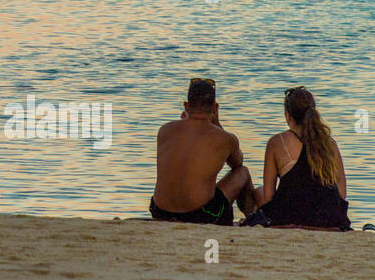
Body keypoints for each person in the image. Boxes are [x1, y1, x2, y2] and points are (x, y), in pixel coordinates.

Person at [150, 77, 257, 225]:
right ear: (215, 108)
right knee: (243, 172)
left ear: (186, 106)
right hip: (199, 215)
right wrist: (218, 125)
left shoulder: (164, 130)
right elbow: (237, 163)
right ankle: (253, 218)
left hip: (159, 211)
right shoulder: (225, 138)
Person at [250, 87, 350, 230]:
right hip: (329, 217)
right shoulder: (330, 143)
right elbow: (342, 193)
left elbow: (268, 196)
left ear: (287, 116)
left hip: (290, 216)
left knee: (258, 192)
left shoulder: (277, 142)